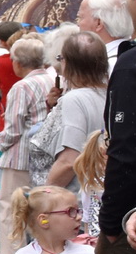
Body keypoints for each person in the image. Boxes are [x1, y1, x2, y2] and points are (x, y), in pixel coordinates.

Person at [0, 38, 52, 254]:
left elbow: (14, 127)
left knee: (11, 214)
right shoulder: (52, 79)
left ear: (18, 62)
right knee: (39, 213)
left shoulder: (22, 87)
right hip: (45, 156)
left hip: (20, 157)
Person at [46, 33, 109, 191]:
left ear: (68, 63)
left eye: (61, 58)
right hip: (95, 189)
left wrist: (45, 193)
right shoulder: (109, 94)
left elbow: (69, 161)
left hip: (73, 195)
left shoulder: (74, 99)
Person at [78, 0, 135, 67]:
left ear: (99, 23)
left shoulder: (107, 66)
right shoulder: (135, 54)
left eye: (81, 17)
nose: (78, 24)